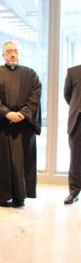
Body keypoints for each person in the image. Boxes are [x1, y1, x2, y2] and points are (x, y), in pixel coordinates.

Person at [0, 41, 42, 207]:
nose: (12, 54)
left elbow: (35, 97)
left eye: (15, 51)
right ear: (3, 55)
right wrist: (6, 113)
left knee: (23, 161)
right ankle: (1, 196)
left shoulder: (31, 74)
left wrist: (23, 114)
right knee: (2, 162)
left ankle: (20, 195)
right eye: (8, 51)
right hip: (2, 126)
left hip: (24, 127)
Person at [63, 64, 81, 204]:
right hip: (78, 120)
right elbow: (67, 95)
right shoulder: (73, 71)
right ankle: (74, 192)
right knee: (75, 158)